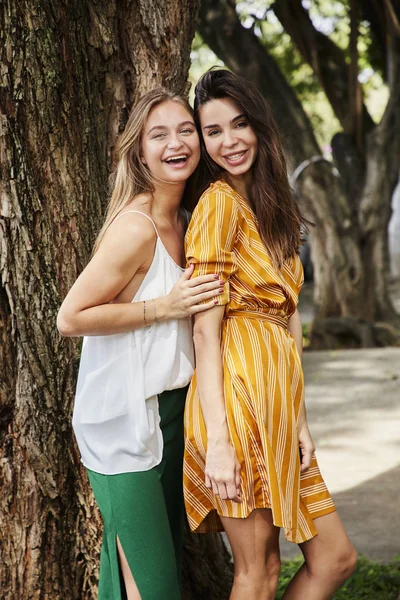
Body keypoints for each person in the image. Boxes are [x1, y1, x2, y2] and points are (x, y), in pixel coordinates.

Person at [183, 69, 358, 600]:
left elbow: (287, 320)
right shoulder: (216, 205)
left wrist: (300, 420)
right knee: (256, 572)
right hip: (236, 412)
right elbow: (205, 334)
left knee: (335, 559)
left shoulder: (273, 205)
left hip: (280, 411)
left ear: (258, 125)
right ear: (204, 143)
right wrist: (218, 441)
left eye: (239, 124)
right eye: (212, 132)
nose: (230, 141)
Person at [57, 88, 224, 600]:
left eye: (185, 130)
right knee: (153, 587)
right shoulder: (137, 227)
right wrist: (164, 308)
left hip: (172, 413)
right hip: (122, 422)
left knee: (135, 571)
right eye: (159, 135)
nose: (176, 143)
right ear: (139, 150)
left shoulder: (189, 221)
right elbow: (71, 317)